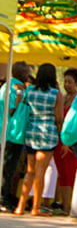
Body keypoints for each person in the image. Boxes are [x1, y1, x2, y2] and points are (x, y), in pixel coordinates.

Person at [15, 63, 64, 216]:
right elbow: (59, 118)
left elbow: (22, 104)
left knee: (29, 171)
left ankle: (20, 206)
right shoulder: (56, 94)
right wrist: (61, 134)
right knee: (40, 172)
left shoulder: (30, 90)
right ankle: (36, 207)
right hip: (48, 133)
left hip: (31, 131)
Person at [0, 61, 31, 210]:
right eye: (26, 73)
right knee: (8, 168)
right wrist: (19, 96)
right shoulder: (13, 88)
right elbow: (11, 110)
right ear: (20, 73)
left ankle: (6, 197)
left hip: (12, 134)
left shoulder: (11, 86)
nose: (28, 75)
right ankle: (4, 199)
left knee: (9, 168)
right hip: (11, 134)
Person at [53, 68, 77, 212]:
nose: (67, 85)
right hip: (58, 140)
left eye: (70, 82)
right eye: (65, 81)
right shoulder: (62, 98)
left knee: (71, 173)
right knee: (62, 174)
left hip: (71, 142)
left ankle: (73, 206)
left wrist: (68, 142)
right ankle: (64, 205)